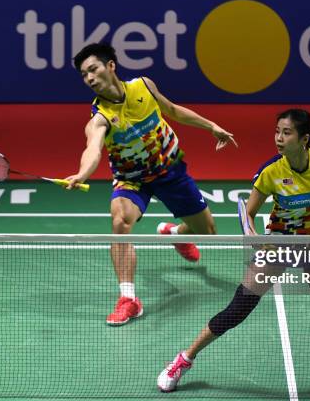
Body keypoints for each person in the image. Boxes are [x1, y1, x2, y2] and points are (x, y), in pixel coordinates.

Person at [157, 109, 310, 396]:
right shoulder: (271, 171)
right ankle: (183, 360)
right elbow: (248, 211)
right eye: (277, 131)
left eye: (286, 132)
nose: (278, 138)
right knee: (236, 311)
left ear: (304, 139)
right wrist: (252, 235)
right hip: (278, 246)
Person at [64, 43, 237, 326]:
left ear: (111, 66)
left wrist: (211, 126)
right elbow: (93, 149)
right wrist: (83, 173)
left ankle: (176, 234)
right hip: (132, 180)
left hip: (170, 171)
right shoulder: (100, 118)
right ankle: (128, 299)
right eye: (84, 75)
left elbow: (172, 109)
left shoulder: (143, 85)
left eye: (93, 69)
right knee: (120, 221)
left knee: (207, 231)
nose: (89, 79)